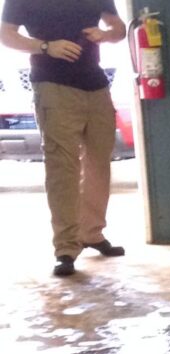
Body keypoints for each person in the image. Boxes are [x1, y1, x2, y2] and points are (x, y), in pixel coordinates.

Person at [0, 0, 126, 278]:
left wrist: (105, 34)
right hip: (52, 85)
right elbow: (6, 34)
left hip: (97, 85)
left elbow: (118, 28)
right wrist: (46, 47)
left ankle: (92, 233)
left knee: (99, 163)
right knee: (62, 168)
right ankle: (66, 249)